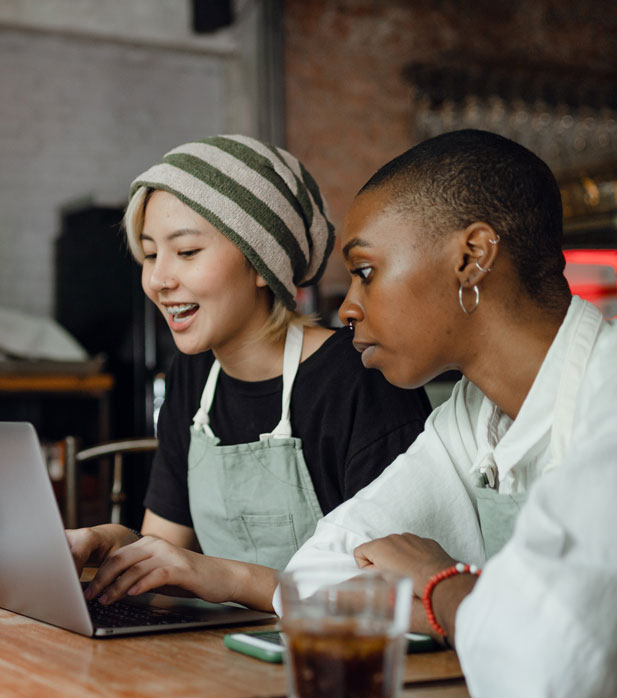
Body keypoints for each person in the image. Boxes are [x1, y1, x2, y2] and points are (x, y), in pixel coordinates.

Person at [279, 129, 617, 693]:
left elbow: (552, 665)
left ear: (472, 258)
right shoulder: (471, 417)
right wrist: (485, 617)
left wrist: (441, 587)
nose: (348, 308)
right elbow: (312, 576)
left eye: (365, 271)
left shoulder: (607, 398)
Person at [66, 135, 432, 612]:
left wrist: (228, 577)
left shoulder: (359, 378)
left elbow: (394, 593)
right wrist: (112, 543)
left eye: (187, 251)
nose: (158, 280)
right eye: (152, 254)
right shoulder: (192, 377)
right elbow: (163, 548)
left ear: (263, 263)